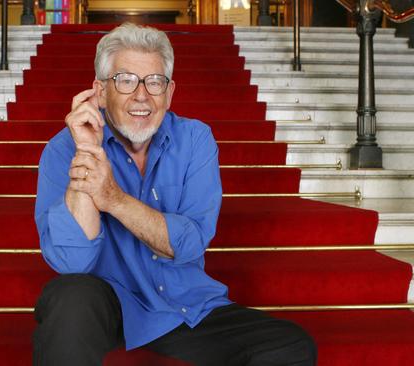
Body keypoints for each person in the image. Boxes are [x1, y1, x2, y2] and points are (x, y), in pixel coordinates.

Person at [33, 23, 317, 366]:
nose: (142, 96)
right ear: (100, 92)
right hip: (108, 303)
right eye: (125, 80)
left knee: (291, 345)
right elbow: (72, 262)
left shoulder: (196, 139)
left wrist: (112, 198)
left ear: (169, 93)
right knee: (70, 296)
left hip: (184, 303)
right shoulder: (63, 150)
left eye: (154, 82)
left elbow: (189, 242)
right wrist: (87, 150)